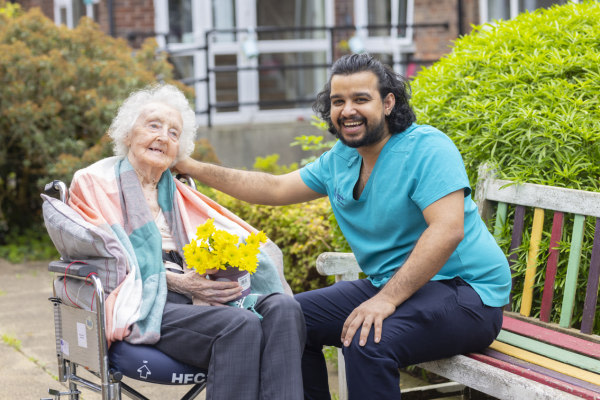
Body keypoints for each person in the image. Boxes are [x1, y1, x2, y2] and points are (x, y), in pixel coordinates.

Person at [175, 54, 512, 400]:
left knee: (366, 341)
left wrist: (385, 301)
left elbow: (447, 230)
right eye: (339, 101)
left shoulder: (427, 148)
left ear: (387, 103)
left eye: (360, 99)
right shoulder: (342, 158)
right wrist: (192, 167)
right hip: (397, 287)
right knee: (289, 321)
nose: (347, 110)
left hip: (468, 294)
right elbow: (274, 188)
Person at [66, 84, 306, 400]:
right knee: (240, 325)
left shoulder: (179, 194)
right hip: (144, 301)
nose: (163, 136)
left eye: (174, 133)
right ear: (127, 134)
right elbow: (104, 259)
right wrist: (181, 283)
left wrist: (221, 270)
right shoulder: (95, 183)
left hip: (199, 301)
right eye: (153, 126)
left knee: (285, 308)